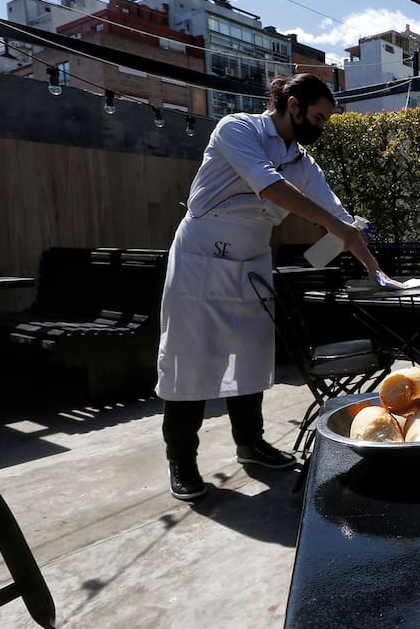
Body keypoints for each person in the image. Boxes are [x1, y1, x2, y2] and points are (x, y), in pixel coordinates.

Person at [156, 73, 384, 501]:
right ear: (293, 105)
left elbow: (341, 220)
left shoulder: (302, 161)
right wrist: (335, 224)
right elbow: (268, 186)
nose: (319, 127)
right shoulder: (237, 129)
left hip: (252, 260)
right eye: (316, 117)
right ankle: (182, 461)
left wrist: (377, 272)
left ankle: (251, 443)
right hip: (201, 258)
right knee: (189, 362)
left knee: (250, 358)